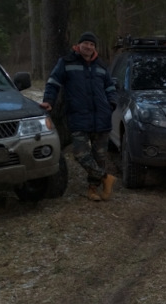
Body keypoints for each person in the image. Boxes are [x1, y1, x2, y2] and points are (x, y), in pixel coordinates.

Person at [41, 31, 118, 202]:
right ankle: (106, 177)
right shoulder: (66, 62)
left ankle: (93, 189)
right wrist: (48, 100)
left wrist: (111, 104)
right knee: (80, 153)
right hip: (78, 116)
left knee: (100, 156)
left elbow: (110, 87)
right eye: (86, 44)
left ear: (94, 47)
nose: (89, 47)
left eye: (92, 44)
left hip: (101, 116)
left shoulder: (101, 65)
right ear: (79, 45)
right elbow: (53, 82)